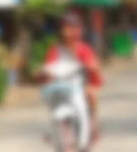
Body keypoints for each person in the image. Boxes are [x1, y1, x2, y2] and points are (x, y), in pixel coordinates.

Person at [44, 12, 103, 141]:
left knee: (91, 95)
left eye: (73, 27)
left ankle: (93, 126)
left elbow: (94, 65)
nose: (69, 31)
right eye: (66, 27)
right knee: (51, 99)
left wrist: (91, 66)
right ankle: (54, 128)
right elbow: (49, 67)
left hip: (81, 84)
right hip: (61, 84)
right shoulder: (55, 49)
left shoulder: (83, 49)